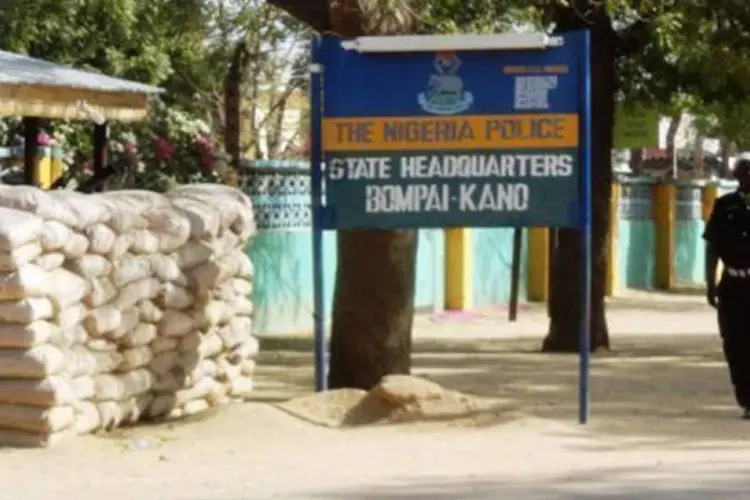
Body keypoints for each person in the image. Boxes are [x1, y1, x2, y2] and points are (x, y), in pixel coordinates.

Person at [704, 157, 750, 419]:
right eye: (743, 174)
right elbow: (712, 247)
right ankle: (745, 397)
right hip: (732, 285)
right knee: (734, 343)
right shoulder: (725, 206)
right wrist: (710, 283)